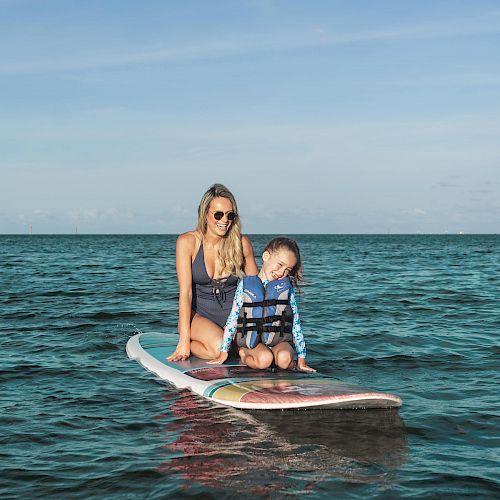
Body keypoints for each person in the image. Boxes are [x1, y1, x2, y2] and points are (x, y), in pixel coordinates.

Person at [168, 184, 258, 362]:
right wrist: (184, 340)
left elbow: (256, 288)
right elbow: (185, 293)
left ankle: (225, 343)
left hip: (232, 317)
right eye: (218, 214)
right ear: (205, 214)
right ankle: (197, 342)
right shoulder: (187, 242)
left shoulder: (241, 243)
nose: (224, 220)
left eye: (230, 215)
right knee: (219, 348)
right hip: (199, 317)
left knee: (246, 350)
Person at [209, 237, 315, 372]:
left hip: (279, 341)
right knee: (265, 360)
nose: (282, 272)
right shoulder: (246, 285)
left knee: (284, 359)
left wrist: (301, 358)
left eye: (288, 270)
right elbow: (233, 318)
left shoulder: (286, 289)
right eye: (280, 264)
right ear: (266, 256)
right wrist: (224, 351)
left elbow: (295, 321)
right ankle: (244, 355)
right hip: (255, 343)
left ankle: (281, 361)